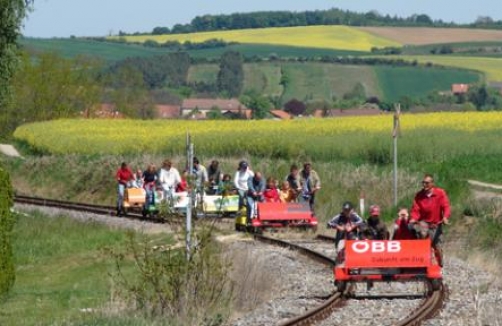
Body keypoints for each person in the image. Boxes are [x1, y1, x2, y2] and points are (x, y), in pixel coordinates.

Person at [410, 174, 450, 267]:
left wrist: (445, 217)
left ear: (432, 183)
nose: (424, 185)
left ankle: (440, 263)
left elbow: (446, 206)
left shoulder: (440, 193)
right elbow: (415, 210)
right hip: (424, 223)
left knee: (438, 248)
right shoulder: (419, 196)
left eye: (427, 183)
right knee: (423, 234)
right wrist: (413, 219)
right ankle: (423, 262)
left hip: (436, 224)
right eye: (423, 183)